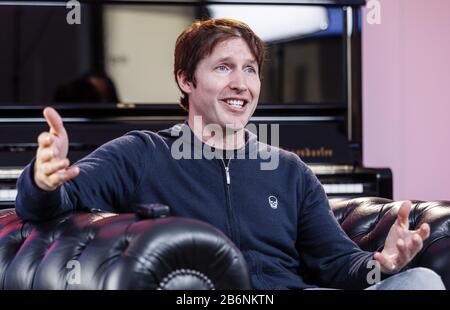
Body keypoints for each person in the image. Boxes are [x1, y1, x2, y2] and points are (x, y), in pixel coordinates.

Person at [15, 19, 445, 290]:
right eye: (223, 67)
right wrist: (42, 178)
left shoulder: (290, 170)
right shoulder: (140, 153)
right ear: (186, 80)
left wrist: (382, 264)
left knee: (422, 279)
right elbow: (44, 205)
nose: (241, 82)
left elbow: (336, 263)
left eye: (250, 69)